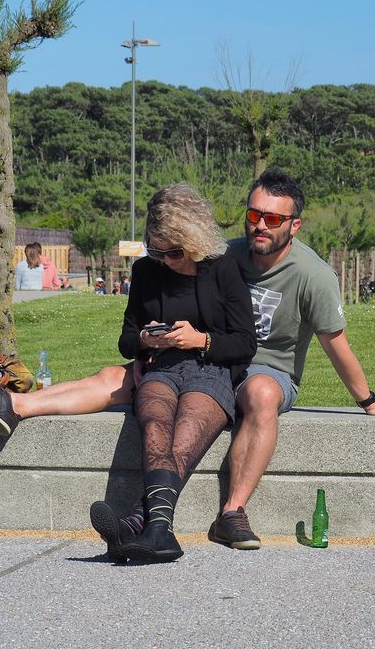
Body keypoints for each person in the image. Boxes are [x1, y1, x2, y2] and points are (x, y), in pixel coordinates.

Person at [0, 167, 375, 555]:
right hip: (196, 363)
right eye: (253, 214)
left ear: (294, 224)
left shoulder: (311, 274)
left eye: (273, 219)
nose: (260, 225)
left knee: (259, 392)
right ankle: (15, 408)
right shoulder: (221, 252)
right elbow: (140, 324)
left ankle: (230, 512)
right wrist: (147, 346)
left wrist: (368, 400)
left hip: (259, 368)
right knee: (124, 377)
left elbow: (335, 342)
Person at [95, 183, 256, 563]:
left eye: (174, 252)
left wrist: (201, 339)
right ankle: (157, 533)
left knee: (182, 439)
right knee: (153, 425)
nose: (165, 259)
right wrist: (147, 342)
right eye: (157, 251)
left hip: (211, 369)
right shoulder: (145, 271)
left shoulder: (223, 268)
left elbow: (245, 342)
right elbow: (126, 338)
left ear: (194, 239)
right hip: (161, 368)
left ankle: (139, 522)